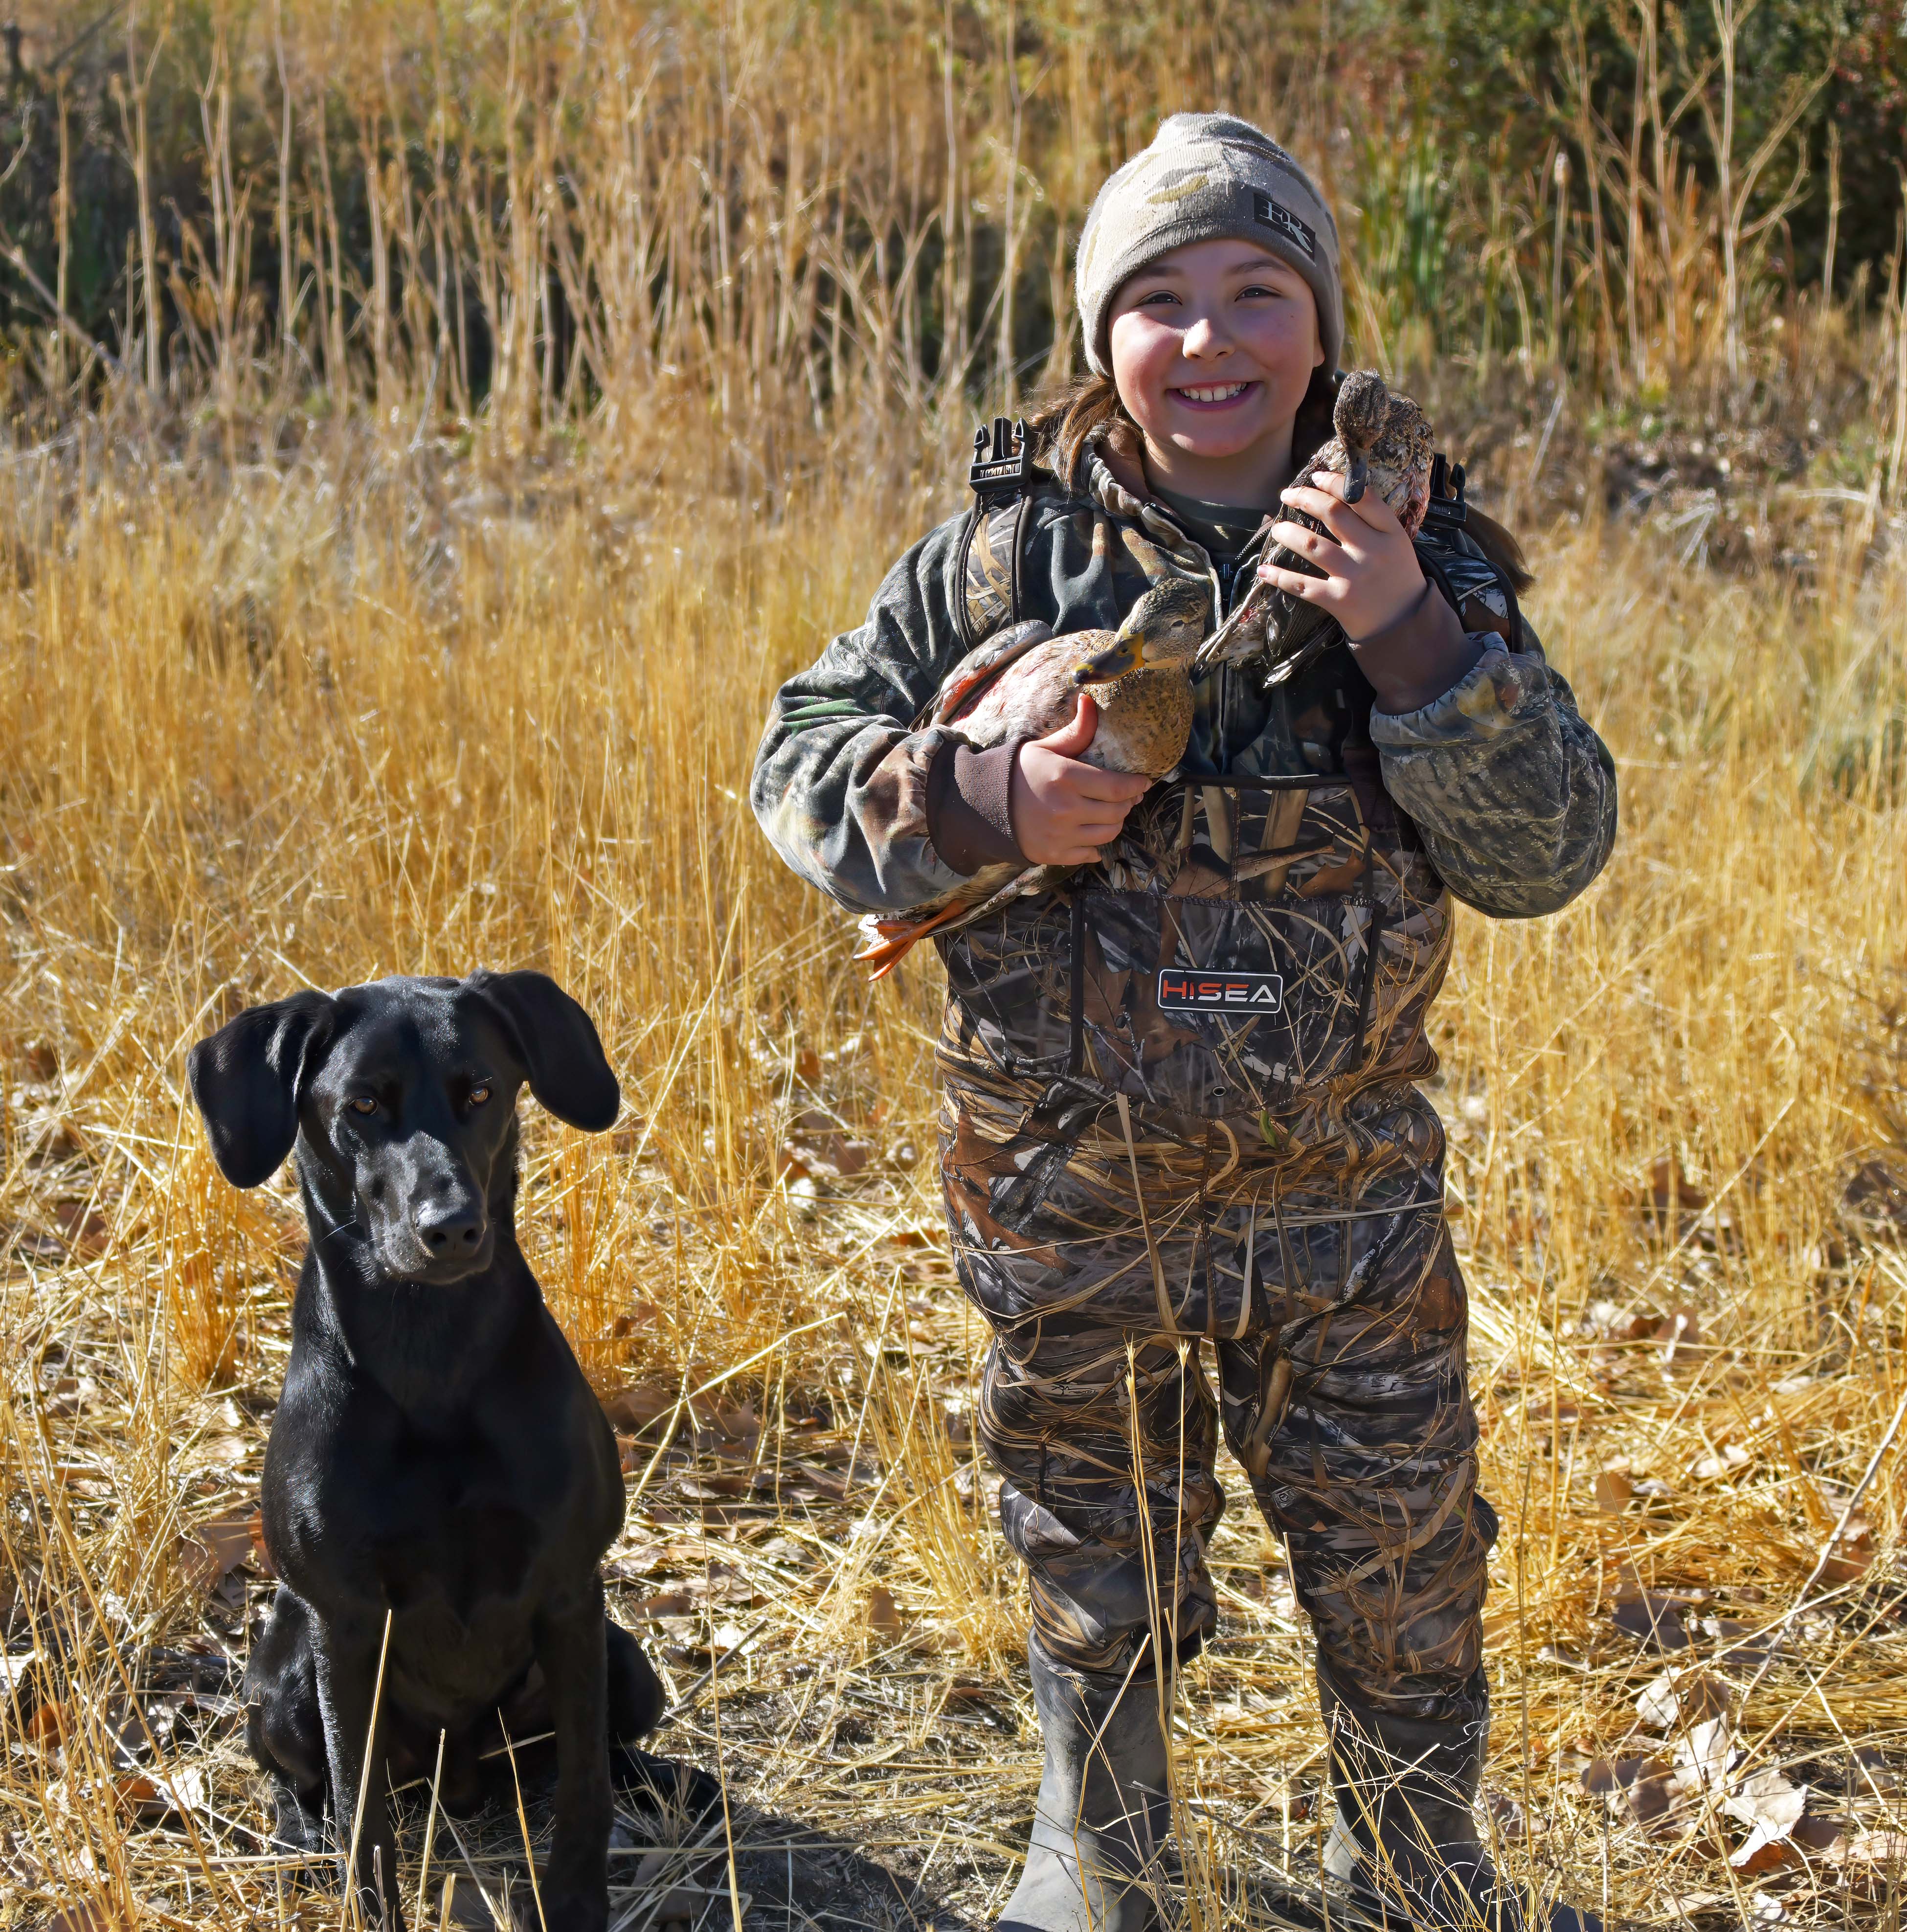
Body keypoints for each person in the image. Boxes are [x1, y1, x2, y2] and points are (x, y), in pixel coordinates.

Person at [751, 113, 1615, 1932]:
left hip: (1347, 1208)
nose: (1208, 340)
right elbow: (798, 764)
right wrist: (980, 798)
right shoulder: (992, 572)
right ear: (1097, 338)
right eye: (1157, 300)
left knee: (1401, 1557)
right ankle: (1107, 1837)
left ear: (1317, 320)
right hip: (1070, 1196)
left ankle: (1408, 1853)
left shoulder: (1415, 557)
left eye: (1255, 291)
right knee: (1091, 1534)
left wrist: (1408, 648)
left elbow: (1548, 853)